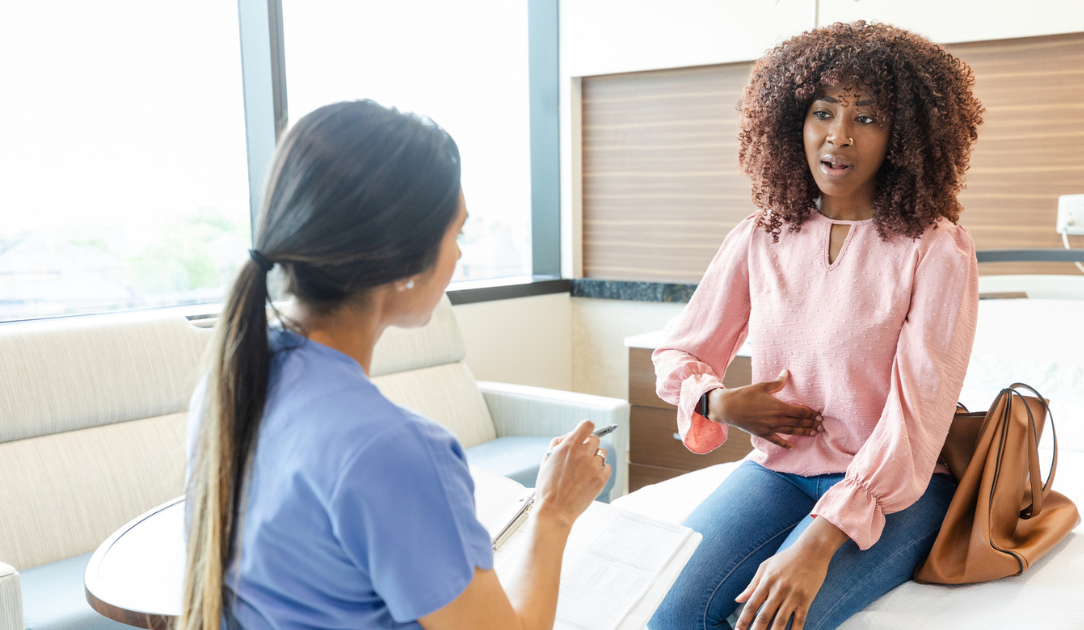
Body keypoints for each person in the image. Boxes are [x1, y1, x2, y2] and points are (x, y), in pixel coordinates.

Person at [181, 100, 610, 630]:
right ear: (404, 261)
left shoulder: (233, 381)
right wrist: (553, 511)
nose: (458, 256)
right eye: (457, 235)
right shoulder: (393, 449)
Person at [648, 22, 985, 630]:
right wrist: (718, 402)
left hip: (895, 491)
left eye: (868, 118)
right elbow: (678, 351)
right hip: (779, 472)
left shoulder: (935, 249)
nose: (839, 135)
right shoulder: (761, 236)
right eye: (823, 112)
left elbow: (918, 416)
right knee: (667, 615)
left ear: (903, 138)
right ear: (792, 124)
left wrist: (817, 540)